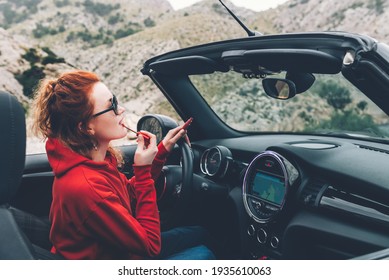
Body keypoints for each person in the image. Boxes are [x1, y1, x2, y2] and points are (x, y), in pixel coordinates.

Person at [32, 70, 215, 260]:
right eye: (112, 106)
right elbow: (150, 246)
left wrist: (161, 152)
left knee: (200, 232)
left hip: (118, 251)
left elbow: (128, 194)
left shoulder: (93, 162)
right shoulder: (86, 186)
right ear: (86, 127)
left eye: (116, 100)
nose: (121, 110)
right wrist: (143, 171)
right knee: (204, 254)